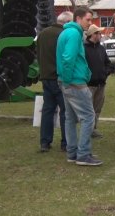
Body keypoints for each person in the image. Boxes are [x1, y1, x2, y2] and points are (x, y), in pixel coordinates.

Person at [56, 7, 102, 166]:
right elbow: (68, 59)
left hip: (67, 81)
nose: (90, 23)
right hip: (74, 82)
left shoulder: (65, 32)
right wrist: (70, 80)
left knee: (70, 118)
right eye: (88, 20)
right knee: (89, 116)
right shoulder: (75, 34)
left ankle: (73, 153)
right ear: (78, 18)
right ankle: (83, 154)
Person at [36, 11, 73, 153]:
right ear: (67, 22)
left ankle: (45, 142)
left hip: (46, 77)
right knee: (65, 112)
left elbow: (38, 54)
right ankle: (65, 142)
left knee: (47, 110)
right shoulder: (64, 35)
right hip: (59, 77)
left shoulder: (43, 34)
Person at [84, 24, 113, 138]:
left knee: (97, 109)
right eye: (98, 33)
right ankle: (87, 130)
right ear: (93, 35)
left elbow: (108, 63)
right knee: (88, 109)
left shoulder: (101, 48)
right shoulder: (84, 48)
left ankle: (93, 129)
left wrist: (105, 73)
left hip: (101, 84)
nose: (100, 35)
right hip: (89, 85)